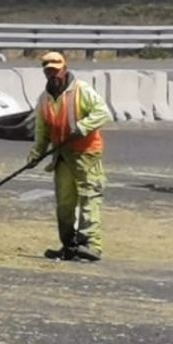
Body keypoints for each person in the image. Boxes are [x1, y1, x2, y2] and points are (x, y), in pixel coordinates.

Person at [27, 52, 111, 262]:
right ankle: (69, 245)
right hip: (62, 157)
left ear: (64, 69)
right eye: (48, 71)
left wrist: (82, 127)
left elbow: (103, 113)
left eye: (56, 70)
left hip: (86, 154)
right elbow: (42, 130)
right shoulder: (44, 99)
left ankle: (91, 244)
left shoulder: (82, 90)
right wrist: (36, 154)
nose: (53, 74)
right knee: (64, 203)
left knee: (89, 198)